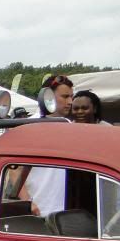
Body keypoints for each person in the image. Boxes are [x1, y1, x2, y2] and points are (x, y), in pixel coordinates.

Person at [17, 75, 74, 216]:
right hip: (37, 210)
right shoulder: (28, 126)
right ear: (48, 96)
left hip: (62, 210)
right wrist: (27, 202)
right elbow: (14, 170)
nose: (70, 102)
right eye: (65, 96)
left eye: (71, 97)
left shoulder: (69, 126)